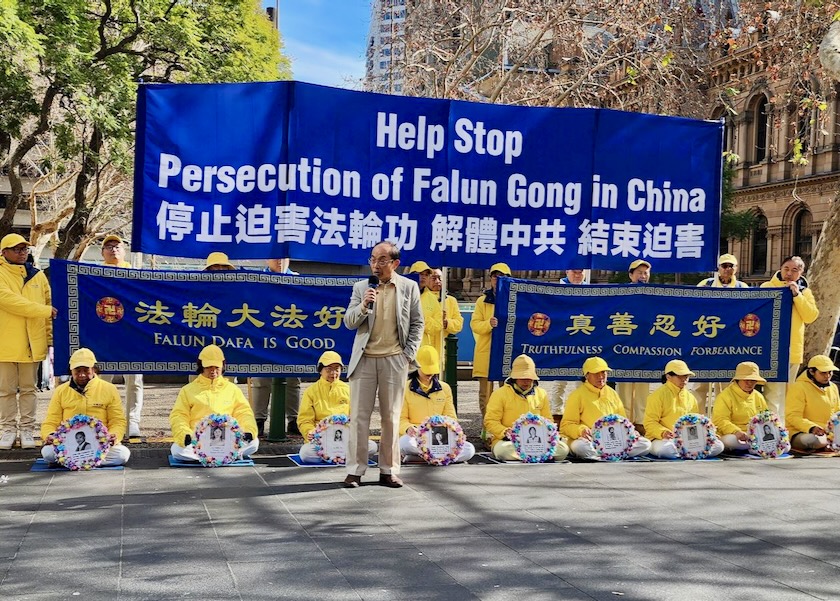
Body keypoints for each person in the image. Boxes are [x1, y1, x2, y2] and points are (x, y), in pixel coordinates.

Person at [343, 241, 424, 488]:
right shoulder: (361, 287)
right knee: (359, 417)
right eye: (373, 259)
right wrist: (364, 305)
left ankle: (388, 470)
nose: (375, 265)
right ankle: (355, 471)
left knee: (391, 417)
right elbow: (349, 322)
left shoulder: (409, 287)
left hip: (394, 360)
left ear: (395, 263)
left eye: (381, 260)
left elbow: (417, 323)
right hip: (364, 359)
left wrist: (407, 355)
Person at [0, 233, 56, 450]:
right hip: (5, 342)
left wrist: (49, 338)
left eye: (25, 249)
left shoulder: (38, 276)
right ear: (4, 252)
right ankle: (7, 430)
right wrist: (44, 310)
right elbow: (9, 301)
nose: (22, 252)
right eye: (17, 249)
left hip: (32, 342)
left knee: (29, 389)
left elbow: (48, 305)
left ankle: (27, 430)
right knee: (5, 390)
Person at [41, 348, 130, 466]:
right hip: (69, 445)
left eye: (86, 370)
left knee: (122, 455)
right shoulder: (60, 391)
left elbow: (117, 421)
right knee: (47, 453)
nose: (82, 375)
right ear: (71, 371)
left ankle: (71, 461)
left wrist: (114, 436)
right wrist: (50, 435)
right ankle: (83, 461)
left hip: (100, 445)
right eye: (77, 371)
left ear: (94, 369)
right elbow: (51, 421)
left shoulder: (109, 389)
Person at [169, 344, 258, 462]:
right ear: (201, 366)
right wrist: (184, 435)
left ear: (223, 366)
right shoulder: (188, 390)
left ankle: (213, 457)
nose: (213, 371)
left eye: (217, 367)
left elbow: (244, 413)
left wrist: (248, 430)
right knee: (177, 450)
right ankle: (225, 457)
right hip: (198, 441)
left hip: (228, 441)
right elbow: (179, 415)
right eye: (208, 367)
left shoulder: (233, 389)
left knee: (254, 443)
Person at [760, 256, 819, 421]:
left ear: (800, 273)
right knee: (772, 392)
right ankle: (772, 428)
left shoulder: (804, 292)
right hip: (771, 349)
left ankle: (785, 431)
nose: (789, 273)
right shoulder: (767, 287)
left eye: (795, 270)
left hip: (793, 349)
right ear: (780, 268)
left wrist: (797, 295)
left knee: (788, 393)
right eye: (786, 268)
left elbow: (811, 316)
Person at [250, 258, 302, 437]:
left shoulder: (298, 280)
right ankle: (258, 420)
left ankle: (293, 420)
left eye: (283, 257)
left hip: (290, 338)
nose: (280, 261)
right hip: (263, 338)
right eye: (275, 257)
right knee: (260, 378)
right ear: (266, 259)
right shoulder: (257, 281)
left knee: (293, 379)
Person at [561, 356, 651, 460]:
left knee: (645, 444)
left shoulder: (612, 393)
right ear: (587, 375)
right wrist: (581, 430)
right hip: (589, 440)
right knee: (581, 447)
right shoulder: (577, 395)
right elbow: (566, 425)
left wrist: (630, 431)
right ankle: (610, 454)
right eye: (596, 373)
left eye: (603, 372)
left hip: (613, 441)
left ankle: (606, 455)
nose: (601, 377)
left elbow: (623, 420)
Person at [484, 354, 570, 461]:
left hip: (538, 443)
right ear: (514, 377)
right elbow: (490, 421)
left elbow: (548, 420)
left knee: (563, 449)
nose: (526, 381)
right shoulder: (499, 394)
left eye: (529, 378)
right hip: (508, 442)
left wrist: (550, 434)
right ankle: (536, 455)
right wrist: (505, 432)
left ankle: (530, 455)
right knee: (503, 451)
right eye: (523, 377)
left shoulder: (541, 394)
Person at [98, 234, 143, 438]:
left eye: (117, 246)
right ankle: (102, 420)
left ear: (124, 251)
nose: (113, 249)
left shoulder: (135, 273)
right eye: (108, 246)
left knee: (134, 380)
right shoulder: (93, 275)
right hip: (104, 335)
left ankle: (132, 421)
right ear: (102, 253)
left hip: (131, 335)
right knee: (102, 381)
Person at [297, 351, 377, 464]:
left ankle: (336, 456)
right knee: (306, 453)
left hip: (346, 439)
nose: (333, 373)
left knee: (372, 446)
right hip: (321, 441)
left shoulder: (349, 390)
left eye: (336, 369)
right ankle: (341, 457)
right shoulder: (311, 392)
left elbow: (356, 417)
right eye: (328, 369)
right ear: (320, 370)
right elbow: (304, 420)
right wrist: (309, 431)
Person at [398, 345, 475, 463]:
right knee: (405, 443)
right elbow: (400, 419)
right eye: (426, 370)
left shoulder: (445, 388)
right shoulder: (405, 388)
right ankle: (439, 458)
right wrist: (408, 428)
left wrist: (448, 430)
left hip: (441, 438)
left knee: (469, 449)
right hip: (416, 436)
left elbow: (452, 418)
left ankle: (420, 458)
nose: (430, 374)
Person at [694, 254, 750, 411]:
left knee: (726, 387)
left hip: (729, 344)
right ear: (718, 268)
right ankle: (697, 421)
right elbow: (692, 308)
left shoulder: (742, 288)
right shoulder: (705, 285)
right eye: (724, 266)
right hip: (705, 342)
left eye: (731, 266)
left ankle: (722, 421)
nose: (728, 269)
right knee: (700, 385)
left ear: (737, 269)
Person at [644, 360, 724, 459]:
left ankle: (687, 452)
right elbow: (649, 423)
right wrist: (663, 432)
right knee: (666, 450)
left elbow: (695, 422)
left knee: (719, 446)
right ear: (668, 377)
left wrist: (708, 434)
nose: (684, 380)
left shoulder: (691, 397)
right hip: (662, 439)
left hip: (687, 439)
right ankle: (689, 452)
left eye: (686, 376)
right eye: (680, 376)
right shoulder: (657, 396)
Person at [616, 259, 654, 431]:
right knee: (623, 387)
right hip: (623, 349)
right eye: (639, 272)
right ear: (630, 275)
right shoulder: (620, 294)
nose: (643, 276)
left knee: (642, 389)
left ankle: (640, 423)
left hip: (644, 349)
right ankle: (623, 423)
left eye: (646, 273)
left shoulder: (655, 295)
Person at [471, 262, 510, 427]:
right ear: (490, 279)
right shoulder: (482, 301)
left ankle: (506, 426)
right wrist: (489, 323)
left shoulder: (514, 298)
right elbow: (475, 325)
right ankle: (488, 428)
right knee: (485, 394)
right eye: (495, 276)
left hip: (507, 352)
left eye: (502, 276)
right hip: (486, 351)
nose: (498, 279)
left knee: (507, 392)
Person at [553, 268, 589, 425]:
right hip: (563, 341)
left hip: (583, 342)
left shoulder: (592, 291)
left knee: (581, 382)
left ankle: (580, 415)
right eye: (574, 272)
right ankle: (557, 415)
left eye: (580, 272)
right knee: (560, 381)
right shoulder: (556, 290)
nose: (577, 275)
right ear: (567, 272)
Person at [712, 361, 773, 453]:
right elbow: (720, 420)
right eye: (746, 380)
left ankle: (757, 446)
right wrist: (736, 431)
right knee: (731, 441)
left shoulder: (758, 396)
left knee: (785, 446)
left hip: (756, 435)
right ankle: (757, 447)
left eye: (753, 380)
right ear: (738, 380)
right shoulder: (725, 396)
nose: (749, 383)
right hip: (733, 435)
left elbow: (766, 418)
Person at [786, 355, 840, 452]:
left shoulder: (833, 387)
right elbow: (792, 416)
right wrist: (811, 427)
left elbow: (837, 413)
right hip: (803, 432)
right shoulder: (798, 387)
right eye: (823, 373)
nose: (827, 376)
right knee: (814, 440)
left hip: (829, 432)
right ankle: (829, 444)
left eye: (830, 372)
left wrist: (833, 431)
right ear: (811, 372)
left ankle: (831, 443)